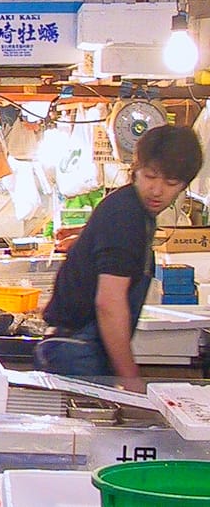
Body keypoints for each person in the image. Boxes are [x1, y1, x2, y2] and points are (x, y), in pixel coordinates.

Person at [36, 125, 203, 390]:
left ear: (184, 184)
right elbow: (109, 302)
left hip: (83, 348)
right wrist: (129, 378)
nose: (157, 190)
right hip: (77, 351)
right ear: (136, 168)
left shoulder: (135, 212)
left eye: (170, 183)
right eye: (150, 176)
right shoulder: (126, 215)